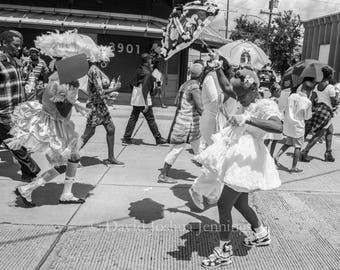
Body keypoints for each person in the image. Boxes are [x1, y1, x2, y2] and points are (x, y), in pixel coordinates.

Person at [191, 68, 282, 268]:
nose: (239, 99)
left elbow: (278, 127)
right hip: (236, 155)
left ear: (255, 88)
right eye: (238, 95)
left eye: (242, 95)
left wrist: (247, 118)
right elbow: (225, 86)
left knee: (224, 205)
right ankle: (261, 233)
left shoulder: (265, 105)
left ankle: (224, 252)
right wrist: (217, 68)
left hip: (246, 160)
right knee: (240, 204)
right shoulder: (243, 97)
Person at [8, 73, 87, 207]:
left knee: (72, 158)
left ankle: (66, 194)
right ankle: (27, 189)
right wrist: (72, 97)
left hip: (55, 125)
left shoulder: (55, 80)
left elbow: (44, 98)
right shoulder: (61, 87)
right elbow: (62, 111)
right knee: (64, 163)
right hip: (55, 129)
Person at [0, 30, 40, 181]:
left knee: (16, 142)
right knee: (17, 145)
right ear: (4, 43)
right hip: (3, 112)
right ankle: (31, 172)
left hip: (15, 112)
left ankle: (27, 175)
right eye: (16, 45)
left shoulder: (14, 62)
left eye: (20, 46)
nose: (19, 48)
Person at [158, 63, 204, 184]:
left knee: (199, 150)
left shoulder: (185, 84)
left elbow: (175, 102)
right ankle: (163, 175)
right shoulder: (195, 87)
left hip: (182, 121)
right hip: (187, 124)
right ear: (201, 75)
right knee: (177, 149)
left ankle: (207, 174)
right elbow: (200, 108)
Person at [79, 60, 124, 166]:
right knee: (88, 133)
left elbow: (101, 90)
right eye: (105, 57)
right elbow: (100, 91)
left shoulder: (98, 70)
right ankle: (71, 156)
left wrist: (110, 90)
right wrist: (115, 88)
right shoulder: (94, 70)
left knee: (111, 128)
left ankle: (111, 158)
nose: (107, 60)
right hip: (94, 106)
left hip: (101, 105)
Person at [121, 53, 167, 145]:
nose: (151, 61)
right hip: (143, 97)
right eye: (150, 60)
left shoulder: (139, 69)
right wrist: (146, 102)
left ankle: (126, 138)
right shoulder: (147, 73)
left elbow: (132, 83)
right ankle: (158, 138)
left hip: (136, 97)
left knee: (133, 118)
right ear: (148, 61)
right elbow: (145, 88)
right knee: (150, 119)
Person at [274, 78, 313, 173]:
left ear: (302, 87)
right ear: (309, 90)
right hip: (298, 127)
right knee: (298, 147)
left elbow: (286, 108)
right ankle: (294, 167)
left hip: (288, 125)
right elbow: (307, 117)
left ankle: (277, 155)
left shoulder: (292, 96)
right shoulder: (307, 102)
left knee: (288, 142)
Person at [300, 67, 339, 162]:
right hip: (326, 112)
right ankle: (305, 152)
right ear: (330, 75)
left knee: (330, 131)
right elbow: (333, 103)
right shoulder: (330, 87)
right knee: (319, 134)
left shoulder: (317, 86)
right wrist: (338, 99)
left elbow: (312, 98)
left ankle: (328, 153)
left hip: (318, 110)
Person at [264, 82, 283, 157]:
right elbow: (276, 111)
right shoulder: (275, 100)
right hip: (275, 121)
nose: (280, 94)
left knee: (267, 139)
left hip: (269, 121)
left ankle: (264, 154)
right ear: (275, 92)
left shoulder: (268, 99)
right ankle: (270, 155)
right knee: (274, 140)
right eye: (279, 92)